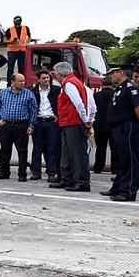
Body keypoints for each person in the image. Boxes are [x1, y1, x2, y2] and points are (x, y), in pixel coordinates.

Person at [99, 66, 139, 201]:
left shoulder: (131, 88)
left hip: (128, 127)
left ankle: (129, 191)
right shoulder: (120, 88)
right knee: (121, 160)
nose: (110, 77)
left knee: (129, 160)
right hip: (118, 128)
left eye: (112, 74)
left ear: (121, 73)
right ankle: (118, 187)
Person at [49, 61, 92, 192]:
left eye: (55, 74)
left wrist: (85, 120)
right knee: (67, 152)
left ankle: (81, 181)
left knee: (77, 153)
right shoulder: (73, 83)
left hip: (73, 122)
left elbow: (79, 103)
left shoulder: (69, 84)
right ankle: (67, 178)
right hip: (68, 122)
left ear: (60, 74)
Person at [0, 73, 38, 181]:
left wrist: (31, 125)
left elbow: (33, 111)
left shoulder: (28, 94)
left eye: (23, 81)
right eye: (20, 81)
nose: (22, 83)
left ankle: (22, 174)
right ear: (13, 82)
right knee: (5, 150)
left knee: (22, 150)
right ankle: (4, 172)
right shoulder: (3, 93)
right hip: (6, 125)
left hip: (21, 125)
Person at [29, 70, 61, 182]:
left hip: (51, 121)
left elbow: (62, 103)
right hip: (38, 121)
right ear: (38, 79)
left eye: (47, 78)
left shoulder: (56, 90)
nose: (46, 80)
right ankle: (36, 171)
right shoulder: (33, 91)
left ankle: (51, 172)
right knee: (37, 148)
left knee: (52, 148)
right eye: (43, 78)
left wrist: (58, 115)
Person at [93, 77, 116, 174]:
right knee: (115, 147)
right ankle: (115, 167)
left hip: (100, 123)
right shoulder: (115, 95)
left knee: (100, 146)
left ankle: (98, 166)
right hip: (113, 124)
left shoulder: (96, 95)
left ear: (101, 84)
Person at [3, 16, 31, 83]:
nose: (17, 25)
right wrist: (11, 41)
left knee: (21, 68)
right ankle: (9, 83)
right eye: (16, 24)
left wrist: (27, 43)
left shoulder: (25, 28)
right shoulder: (10, 29)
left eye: (18, 24)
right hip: (12, 52)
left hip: (22, 51)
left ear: (20, 22)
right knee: (10, 68)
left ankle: (21, 82)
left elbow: (29, 36)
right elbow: (4, 40)